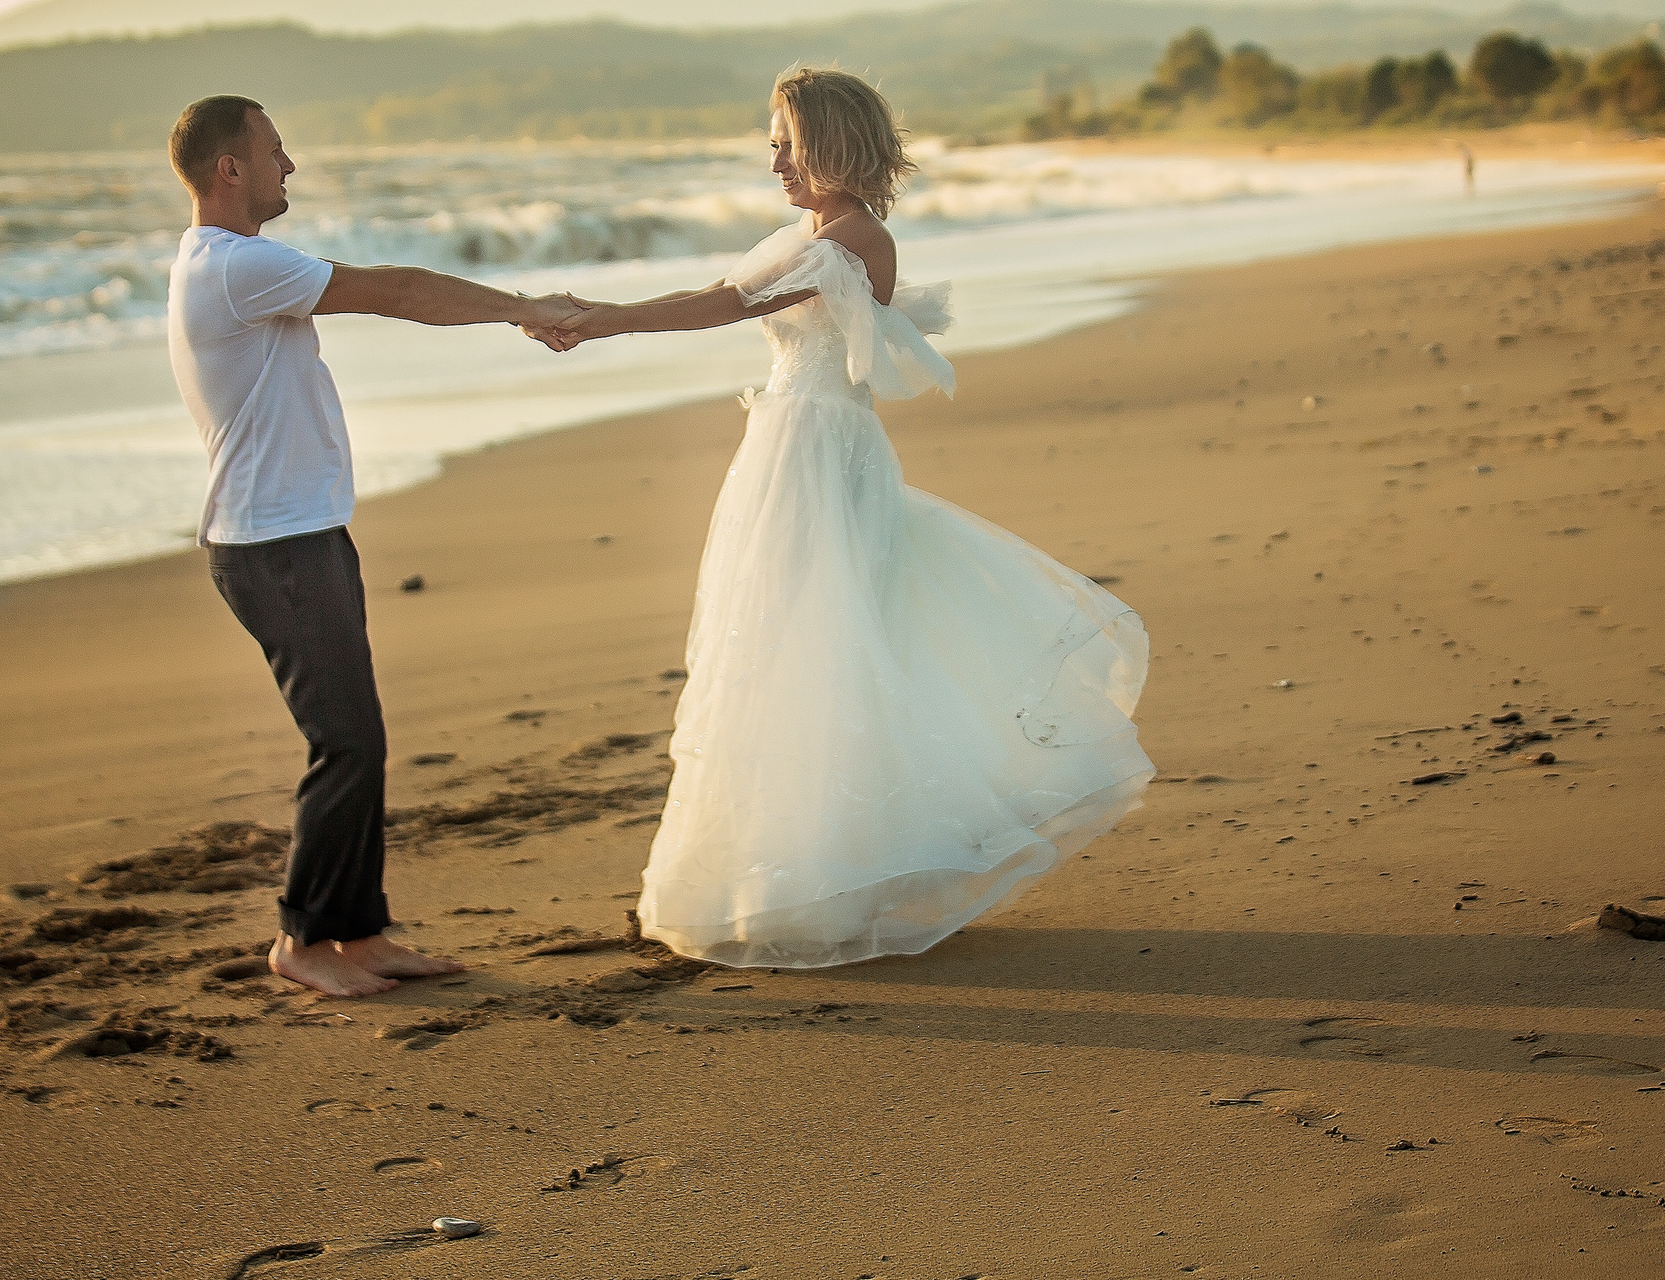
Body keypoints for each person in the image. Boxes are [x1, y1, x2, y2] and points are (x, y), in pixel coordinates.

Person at [529, 68, 1155, 968]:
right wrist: (601, 314)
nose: (774, 159)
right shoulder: (814, 231)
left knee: (815, 648)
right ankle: (786, 873)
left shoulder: (855, 238)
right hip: (788, 452)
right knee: (779, 646)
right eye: (773, 143)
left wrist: (601, 320)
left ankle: (824, 878)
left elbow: (727, 305)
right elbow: (725, 285)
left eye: (787, 142)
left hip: (820, 457)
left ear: (833, 145)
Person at [165, 94, 581, 998]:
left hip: (299, 532)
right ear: (229, 168)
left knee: (360, 739)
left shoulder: (226, 264)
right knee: (343, 743)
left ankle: (360, 929)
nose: (291, 166)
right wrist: (523, 306)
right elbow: (396, 291)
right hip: (272, 543)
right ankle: (304, 940)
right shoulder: (235, 265)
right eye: (275, 151)